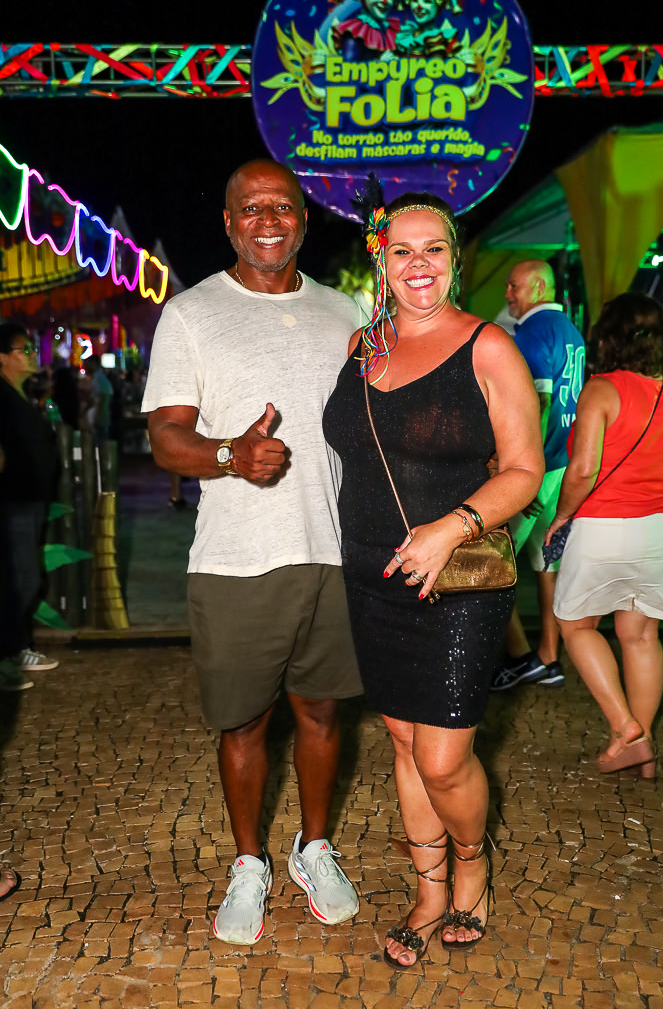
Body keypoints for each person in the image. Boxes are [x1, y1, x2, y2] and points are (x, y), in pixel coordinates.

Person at [142, 160, 365, 946]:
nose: (268, 220)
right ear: (230, 222)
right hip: (237, 559)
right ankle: (248, 862)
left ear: (303, 217)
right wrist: (228, 455)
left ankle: (314, 848)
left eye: (282, 206)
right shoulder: (192, 314)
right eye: (251, 208)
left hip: (333, 550)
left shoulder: (343, 312)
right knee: (243, 723)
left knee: (323, 710)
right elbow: (165, 437)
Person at [323, 193, 544, 968]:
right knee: (403, 740)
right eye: (402, 250)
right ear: (381, 262)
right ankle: (427, 891)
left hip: (459, 581)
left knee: (443, 758)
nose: (418, 264)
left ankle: (472, 867)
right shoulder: (362, 345)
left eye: (434, 249)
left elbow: (524, 471)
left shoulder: (488, 348)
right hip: (372, 575)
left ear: (456, 258)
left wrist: (452, 525)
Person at [544, 293, 663, 778]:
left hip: (605, 527)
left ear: (608, 338)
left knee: (576, 626)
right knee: (641, 635)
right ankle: (643, 745)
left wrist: (561, 516)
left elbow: (583, 470)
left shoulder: (602, 389)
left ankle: (626, 728)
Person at [491, 259, 585, 691]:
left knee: (488, 561)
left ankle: (520, 656)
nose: (507, 294)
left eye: (514, 286)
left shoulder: (532, 330)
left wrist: (523, 473)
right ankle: (549, 657)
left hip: (540, 465)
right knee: (546, 563)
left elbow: (540, 404)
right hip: (563, 462)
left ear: (539, 287)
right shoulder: (571, 331)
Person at [0, 323, 60, 692]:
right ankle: (6, 655)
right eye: (24, 350)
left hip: (30, 500)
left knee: (25, 577)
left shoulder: (20, 395)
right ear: (2, 358)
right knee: (19, 579)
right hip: (12, 502)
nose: (32, 354)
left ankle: (17, 648)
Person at [85, 354, 113, 444]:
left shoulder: (100, 378)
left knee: (100, 445)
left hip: (100, 420)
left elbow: (104, 398)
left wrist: (98, 416)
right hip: (98, 419)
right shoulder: (97, 378)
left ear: (94, 363)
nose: (86, 366)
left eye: (88, 364)